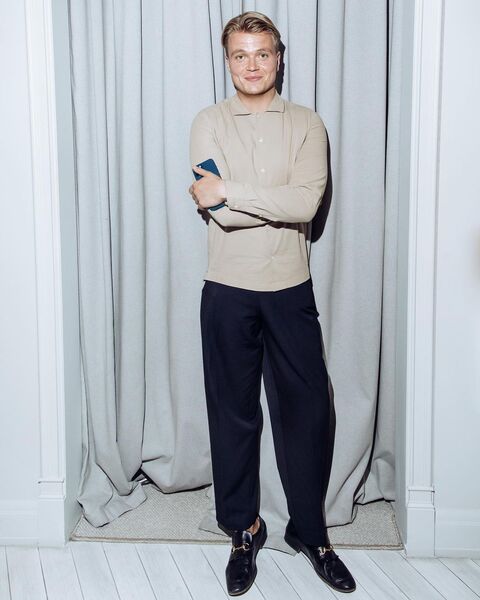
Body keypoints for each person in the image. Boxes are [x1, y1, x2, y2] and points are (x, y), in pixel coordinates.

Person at [188, 11, 356, 596]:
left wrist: (230, 188)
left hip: (290, 287)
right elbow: (221, 215)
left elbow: (305, 205)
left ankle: (311, 532)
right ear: (228, 61)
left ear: (278, 59)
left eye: (262, 53)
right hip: (226, 288)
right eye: (241, 55)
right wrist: (250, 199)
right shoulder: (208, 122)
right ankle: (244, 530)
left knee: (307, 413)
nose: (252, 65)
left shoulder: (307, 124)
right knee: (232, 414)